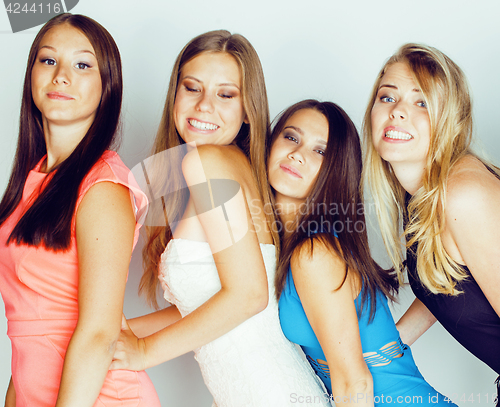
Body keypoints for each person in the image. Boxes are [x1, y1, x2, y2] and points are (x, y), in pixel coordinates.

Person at [110, 31, 330, 406]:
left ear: (248, 109)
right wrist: (120, 331)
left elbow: (248, 295)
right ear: (175, 95)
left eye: (225, 94)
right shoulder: (233, 168)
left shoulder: (207, 163)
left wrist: (144, 352)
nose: (204, 106)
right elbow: (204, 302)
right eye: (192, 88)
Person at [0, 13, 160, 407]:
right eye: (48, 60)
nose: (61, 75)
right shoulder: (34, 178)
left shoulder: (103, 185)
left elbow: (98, 334)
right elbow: (29, 329)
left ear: (108, 87)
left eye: (83, 64)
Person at [274, 100, 454, 406]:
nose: (297, 154)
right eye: (291, 137)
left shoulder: (315, 253)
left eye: (320, 151)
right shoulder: (291, 248)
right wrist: (387, 347)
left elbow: (353, 381)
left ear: (336, 170)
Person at [363, 42, 500, 400]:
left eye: (421, 102)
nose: (398, 113)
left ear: (449, 121)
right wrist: (388, 349)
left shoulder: (463, 194)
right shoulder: (424, 197)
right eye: (388, 98)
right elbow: (450, 283)